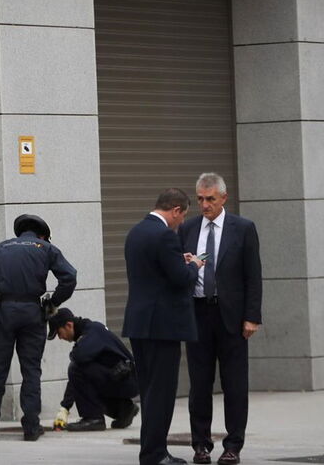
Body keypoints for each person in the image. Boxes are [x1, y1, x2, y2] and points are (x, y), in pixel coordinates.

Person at [0, 214, 77, 441]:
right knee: (31, 371)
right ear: (41, 235)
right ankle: (31, 427)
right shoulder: (46, 248)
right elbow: (70, 277)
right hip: (32, 313)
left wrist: (3, 304)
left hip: (5, 312)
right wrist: (53, 302)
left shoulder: (1, 248)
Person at [180, 173, 262, 465]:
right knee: (199, 384)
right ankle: (201, 445)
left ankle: (233, 446)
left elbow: (253, 276)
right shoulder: (188, 228)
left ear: (223, 198)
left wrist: (252, 317)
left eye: (210, 199)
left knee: (235, 384)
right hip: (198, 313)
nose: (205, 205)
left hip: (232, 317)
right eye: (200, 199)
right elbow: (179, 271)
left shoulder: (243, 228)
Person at [122, 188, 205, 465]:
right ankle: (155, 454)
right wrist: (194, 265)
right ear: (176, 210)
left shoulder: (136, 232)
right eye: (182, 216)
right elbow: (182, 279)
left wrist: (177, 261)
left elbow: (153, 271)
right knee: (162, 392)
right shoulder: (165, 236)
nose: (181, 222)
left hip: (140, 323)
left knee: (149, 391)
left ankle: (152, 450)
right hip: (163, 325)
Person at [48, 307, 139, 432]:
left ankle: (93, 418)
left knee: (76, 369)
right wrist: (65, 408)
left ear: (69, 325)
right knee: (82, 375)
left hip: (126, 378)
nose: (60, 337)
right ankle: (124, 409)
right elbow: (76, 380)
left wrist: (65, 407)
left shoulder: (92, 332)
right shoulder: (89, 332)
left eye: (59, 332)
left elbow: (77, 360)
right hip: (124, 379)